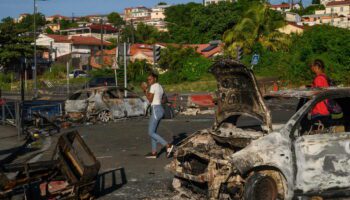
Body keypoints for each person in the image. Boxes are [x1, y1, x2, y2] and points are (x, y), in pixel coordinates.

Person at [141, 72, 174, 159]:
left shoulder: (153, 86)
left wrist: (145, 90)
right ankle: (154, 152)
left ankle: (167, 145)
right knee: (153, 132)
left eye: (150, 79)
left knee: (150, 132)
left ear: (155, 79)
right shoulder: (160, 86)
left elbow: (150, 99)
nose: (148, 81)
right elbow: (164, 99)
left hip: (155, 109)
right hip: (160, 109)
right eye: (147, 79)